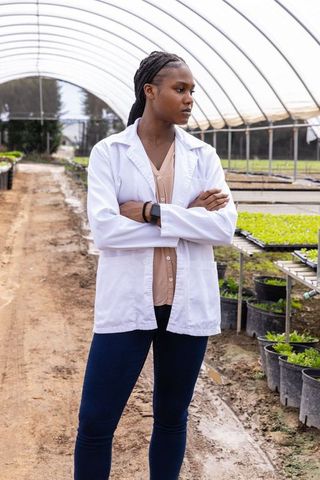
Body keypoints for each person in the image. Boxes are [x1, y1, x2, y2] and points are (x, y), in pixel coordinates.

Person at [74, 51, 237, 480]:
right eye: (179, 89)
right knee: (95, 422)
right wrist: (187, 216)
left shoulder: (203, 156)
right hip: (128, 307)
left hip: (185, 308)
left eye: (192, 91)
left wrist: (152, 211)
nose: (189, 99)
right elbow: (106, 232)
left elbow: (222, 227)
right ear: (150, 91)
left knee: (171, 417)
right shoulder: (109, 153)